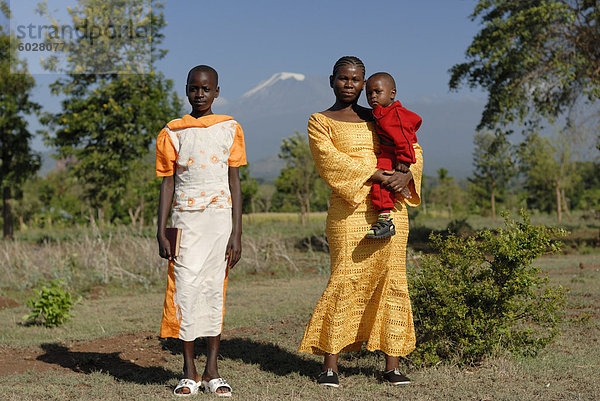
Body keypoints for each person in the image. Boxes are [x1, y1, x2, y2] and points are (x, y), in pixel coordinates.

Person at [298, 56, 423, 387]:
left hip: (391, 210)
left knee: (392, 280)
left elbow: (412, 146)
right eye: (343, 78)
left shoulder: (381, 115)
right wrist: (378, 175)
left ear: (365, 83)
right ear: (332, 80)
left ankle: (392, 366)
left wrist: (407, 173)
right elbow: (330, 162)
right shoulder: (320, 121)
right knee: (345, 277)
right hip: (348, 211)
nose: (349, 84)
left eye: (356, 80)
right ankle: (330, 366)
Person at [155, 65, 246, 397]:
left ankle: (213, 371)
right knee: (185, 291)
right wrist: (161, 230)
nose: (200, 94)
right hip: (184, 223)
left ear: (217, 92)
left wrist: (237, 232)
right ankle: (188, 372)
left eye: (206, 89)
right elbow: (167, 184)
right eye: (194, 88)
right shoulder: (172, 132)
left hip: (220, 222)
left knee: (212, 290)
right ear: (186, 90)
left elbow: (235, 183)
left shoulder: (230, 129)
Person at [364, 72, 422, 239]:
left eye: (378, 92)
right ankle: (385, 219)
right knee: (387, 184)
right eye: (369, 93)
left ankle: (385, 222)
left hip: (393, 155)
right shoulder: (382, 112)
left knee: (382, 185)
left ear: (392, 93)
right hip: (388, 153)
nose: (373, 96)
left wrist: (404, 161)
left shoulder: (394, 115)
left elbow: (404, 139)